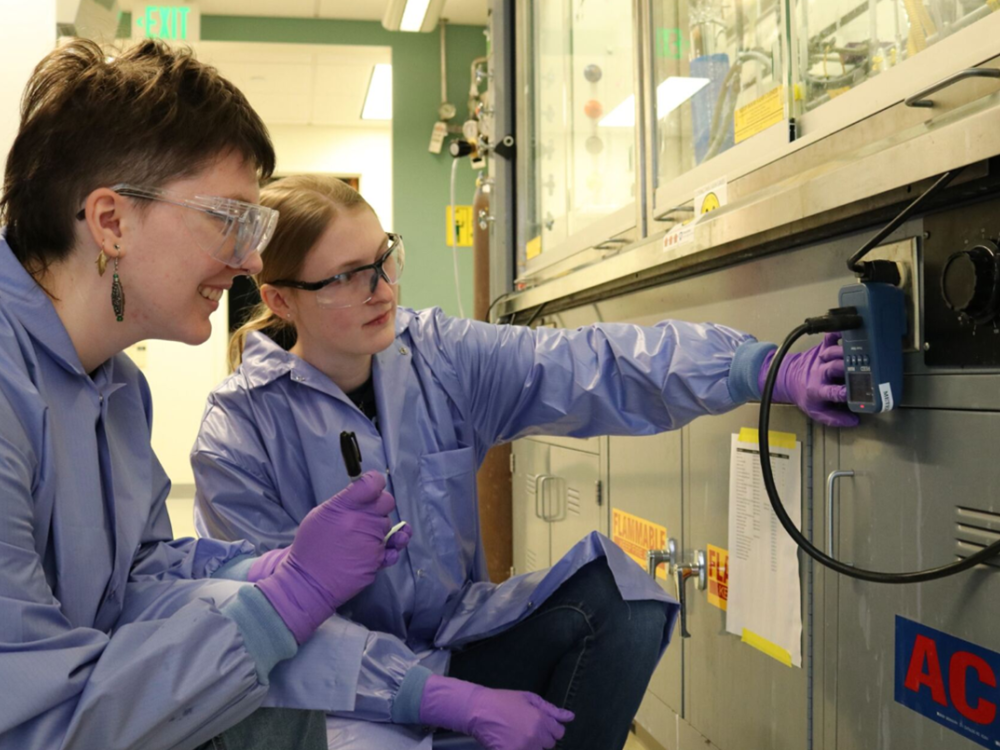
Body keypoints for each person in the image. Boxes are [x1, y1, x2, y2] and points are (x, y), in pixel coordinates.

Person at [192, 174, 857, 750]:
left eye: (385, 259)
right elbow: (271, 635)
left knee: (622, 600)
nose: (381, 289)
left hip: (453, 639)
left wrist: (755, 368)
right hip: (335, 695)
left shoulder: (437, 357)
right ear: (282, 300)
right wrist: (447, 700)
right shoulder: (240, 431)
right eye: (346, 278)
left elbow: (591, 364)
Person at [0, 40, 412, 750]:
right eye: (230, 221)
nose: (252, 261)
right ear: (111, 222)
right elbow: (34, 720)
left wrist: (271, 569)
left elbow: (135, 577)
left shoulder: (119, 387)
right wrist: (284, 602)